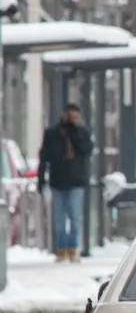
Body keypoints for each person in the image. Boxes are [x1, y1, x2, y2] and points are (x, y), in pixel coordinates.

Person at [38, 104, 94, 262]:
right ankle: (61, 249)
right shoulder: (52, 135)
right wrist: (41, 178)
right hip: (57, 182)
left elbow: (86, 149)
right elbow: (44, 157)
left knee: (75, 217)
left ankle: (73, 248)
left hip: (76, 182)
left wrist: (75, 130)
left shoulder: (82, 133)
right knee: (59, 219)